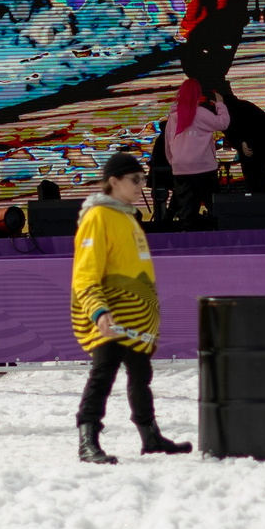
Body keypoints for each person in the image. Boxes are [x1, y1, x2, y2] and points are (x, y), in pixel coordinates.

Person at [68, 151, 189, 464]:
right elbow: (85, 272)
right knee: (103, 373)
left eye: (143, 179)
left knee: (140, 373)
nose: (142, 185)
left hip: (134, 316)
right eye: (135, 180)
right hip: (110, 314)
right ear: (113, 182)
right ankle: (87, 439)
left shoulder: (126, 216)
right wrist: (98, 310)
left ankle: (150, 436)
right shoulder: (97, 216)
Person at [160, 78, 230, 227]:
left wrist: (175, 163)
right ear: (197, 94)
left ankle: (188, 241)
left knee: (186, 212)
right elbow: (223, 123)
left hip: (181, 168)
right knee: (214, 206)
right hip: (203, 166)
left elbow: (168, 144)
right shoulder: (201, 113)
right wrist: (220, 104)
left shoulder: (173, 117)